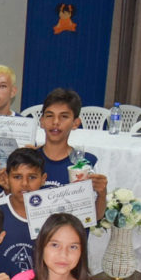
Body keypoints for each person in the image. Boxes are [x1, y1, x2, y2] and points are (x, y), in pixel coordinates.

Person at [36, 89, 109, 217]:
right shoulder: (30, 158)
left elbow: (96, 217)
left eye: (64, 116)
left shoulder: (87, 162)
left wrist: (102, 194)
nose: (55, 122)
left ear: (75, 123)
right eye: (49, 115)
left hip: (72, 235)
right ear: (42, 121)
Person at [0, 148, 47, 273]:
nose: (24, 183)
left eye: (32, 177)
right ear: (6, 178)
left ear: (43, 179)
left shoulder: (52, 214)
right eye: (17, 177)